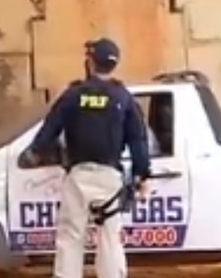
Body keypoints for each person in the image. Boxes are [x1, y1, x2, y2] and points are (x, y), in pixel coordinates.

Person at [21, 38, 150, 278]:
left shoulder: (73, 95)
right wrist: (142, 174)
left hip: (79, 177)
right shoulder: (123, 98)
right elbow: (138, 140)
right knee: (110, 240)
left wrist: (34, 153)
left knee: (71, 237)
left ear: (90, 62)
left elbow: (50, 130)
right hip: (110, 179)